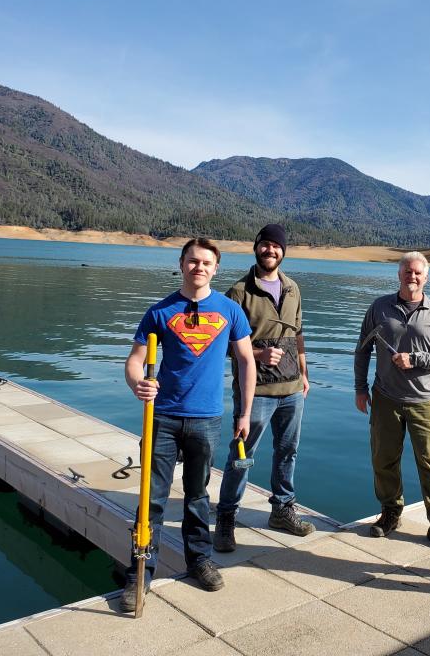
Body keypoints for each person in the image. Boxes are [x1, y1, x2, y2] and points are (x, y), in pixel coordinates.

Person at [120, 237, 256, 611]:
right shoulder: (160, 312)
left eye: (206, 263)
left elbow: (247, 361)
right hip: (161, 417)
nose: (199, 268)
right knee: (152, 499)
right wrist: (138, 384)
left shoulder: (230, 311)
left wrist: (244, 413)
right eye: (193, 261)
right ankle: (139, 574)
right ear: (181, 264)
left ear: (216, 269)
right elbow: (135, 361)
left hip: (207, 419)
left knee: (198, 497)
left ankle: (199, 559)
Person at [354, 251, 430, 553]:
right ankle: (391, 512)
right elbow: (362, 349)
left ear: (426, 277)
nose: (412, 277)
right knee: (384, 458)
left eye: (418, 273)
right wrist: (360, 388)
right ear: (399, 275)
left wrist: (415, 359)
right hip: (385, 398)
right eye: (407, 272)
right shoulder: (379, 308)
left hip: (424, 400)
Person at [214, 224, 315, 551]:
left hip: (291, 390)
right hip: (254, 393)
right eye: (265, 245)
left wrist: (304, 371)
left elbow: (298, 334)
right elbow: (221, 344)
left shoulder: (293, 289)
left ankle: (282, 510)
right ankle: (227, 516)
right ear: (256, 248)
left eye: (276, 246)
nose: (270, 250)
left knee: (288, 451)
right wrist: (257, 353)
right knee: (243, 454)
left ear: (283, 251)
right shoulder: (238, 292)